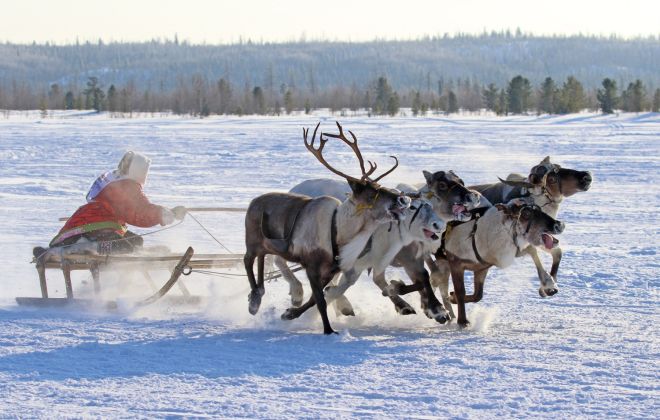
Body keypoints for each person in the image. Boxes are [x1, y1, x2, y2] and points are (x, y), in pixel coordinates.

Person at [40, 151, 186, 256]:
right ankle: (86, 247)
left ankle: (135, 255)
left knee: (135, 241)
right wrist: (168, 215)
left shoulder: (116, 180)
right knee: (123, 247)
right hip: (95, 225)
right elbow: (139, 212)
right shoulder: (127, 185)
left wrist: (167, 212)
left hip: (94, 224)